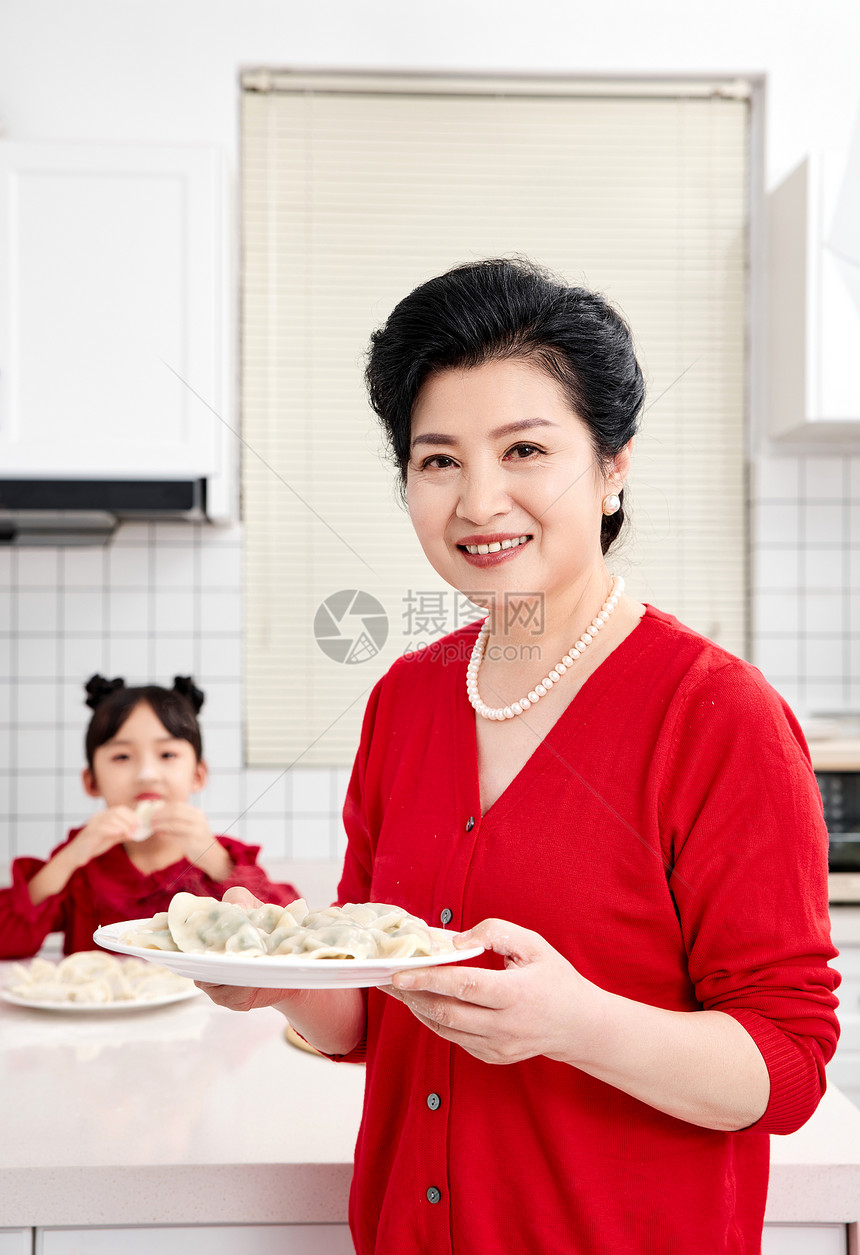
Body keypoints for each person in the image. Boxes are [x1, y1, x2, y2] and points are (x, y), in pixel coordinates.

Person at [199, 259, 840, 1254]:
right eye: (437, 460)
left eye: (525, 449)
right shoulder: (404, 700)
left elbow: (788, 1065)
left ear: (613, 463)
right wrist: (272, 975)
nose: (477, 501)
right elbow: (371, 1013)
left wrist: (574, 1022)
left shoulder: (715, 714)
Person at [0, 674, 300, 958]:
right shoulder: (81, 866)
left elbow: (288, 935)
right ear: (91, 781)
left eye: (167, 755)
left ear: (197, 774)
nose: (147, 774)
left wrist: (216, 862)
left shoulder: (220, 859)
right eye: (122, 757)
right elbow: (7, 939)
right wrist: (71, 856)